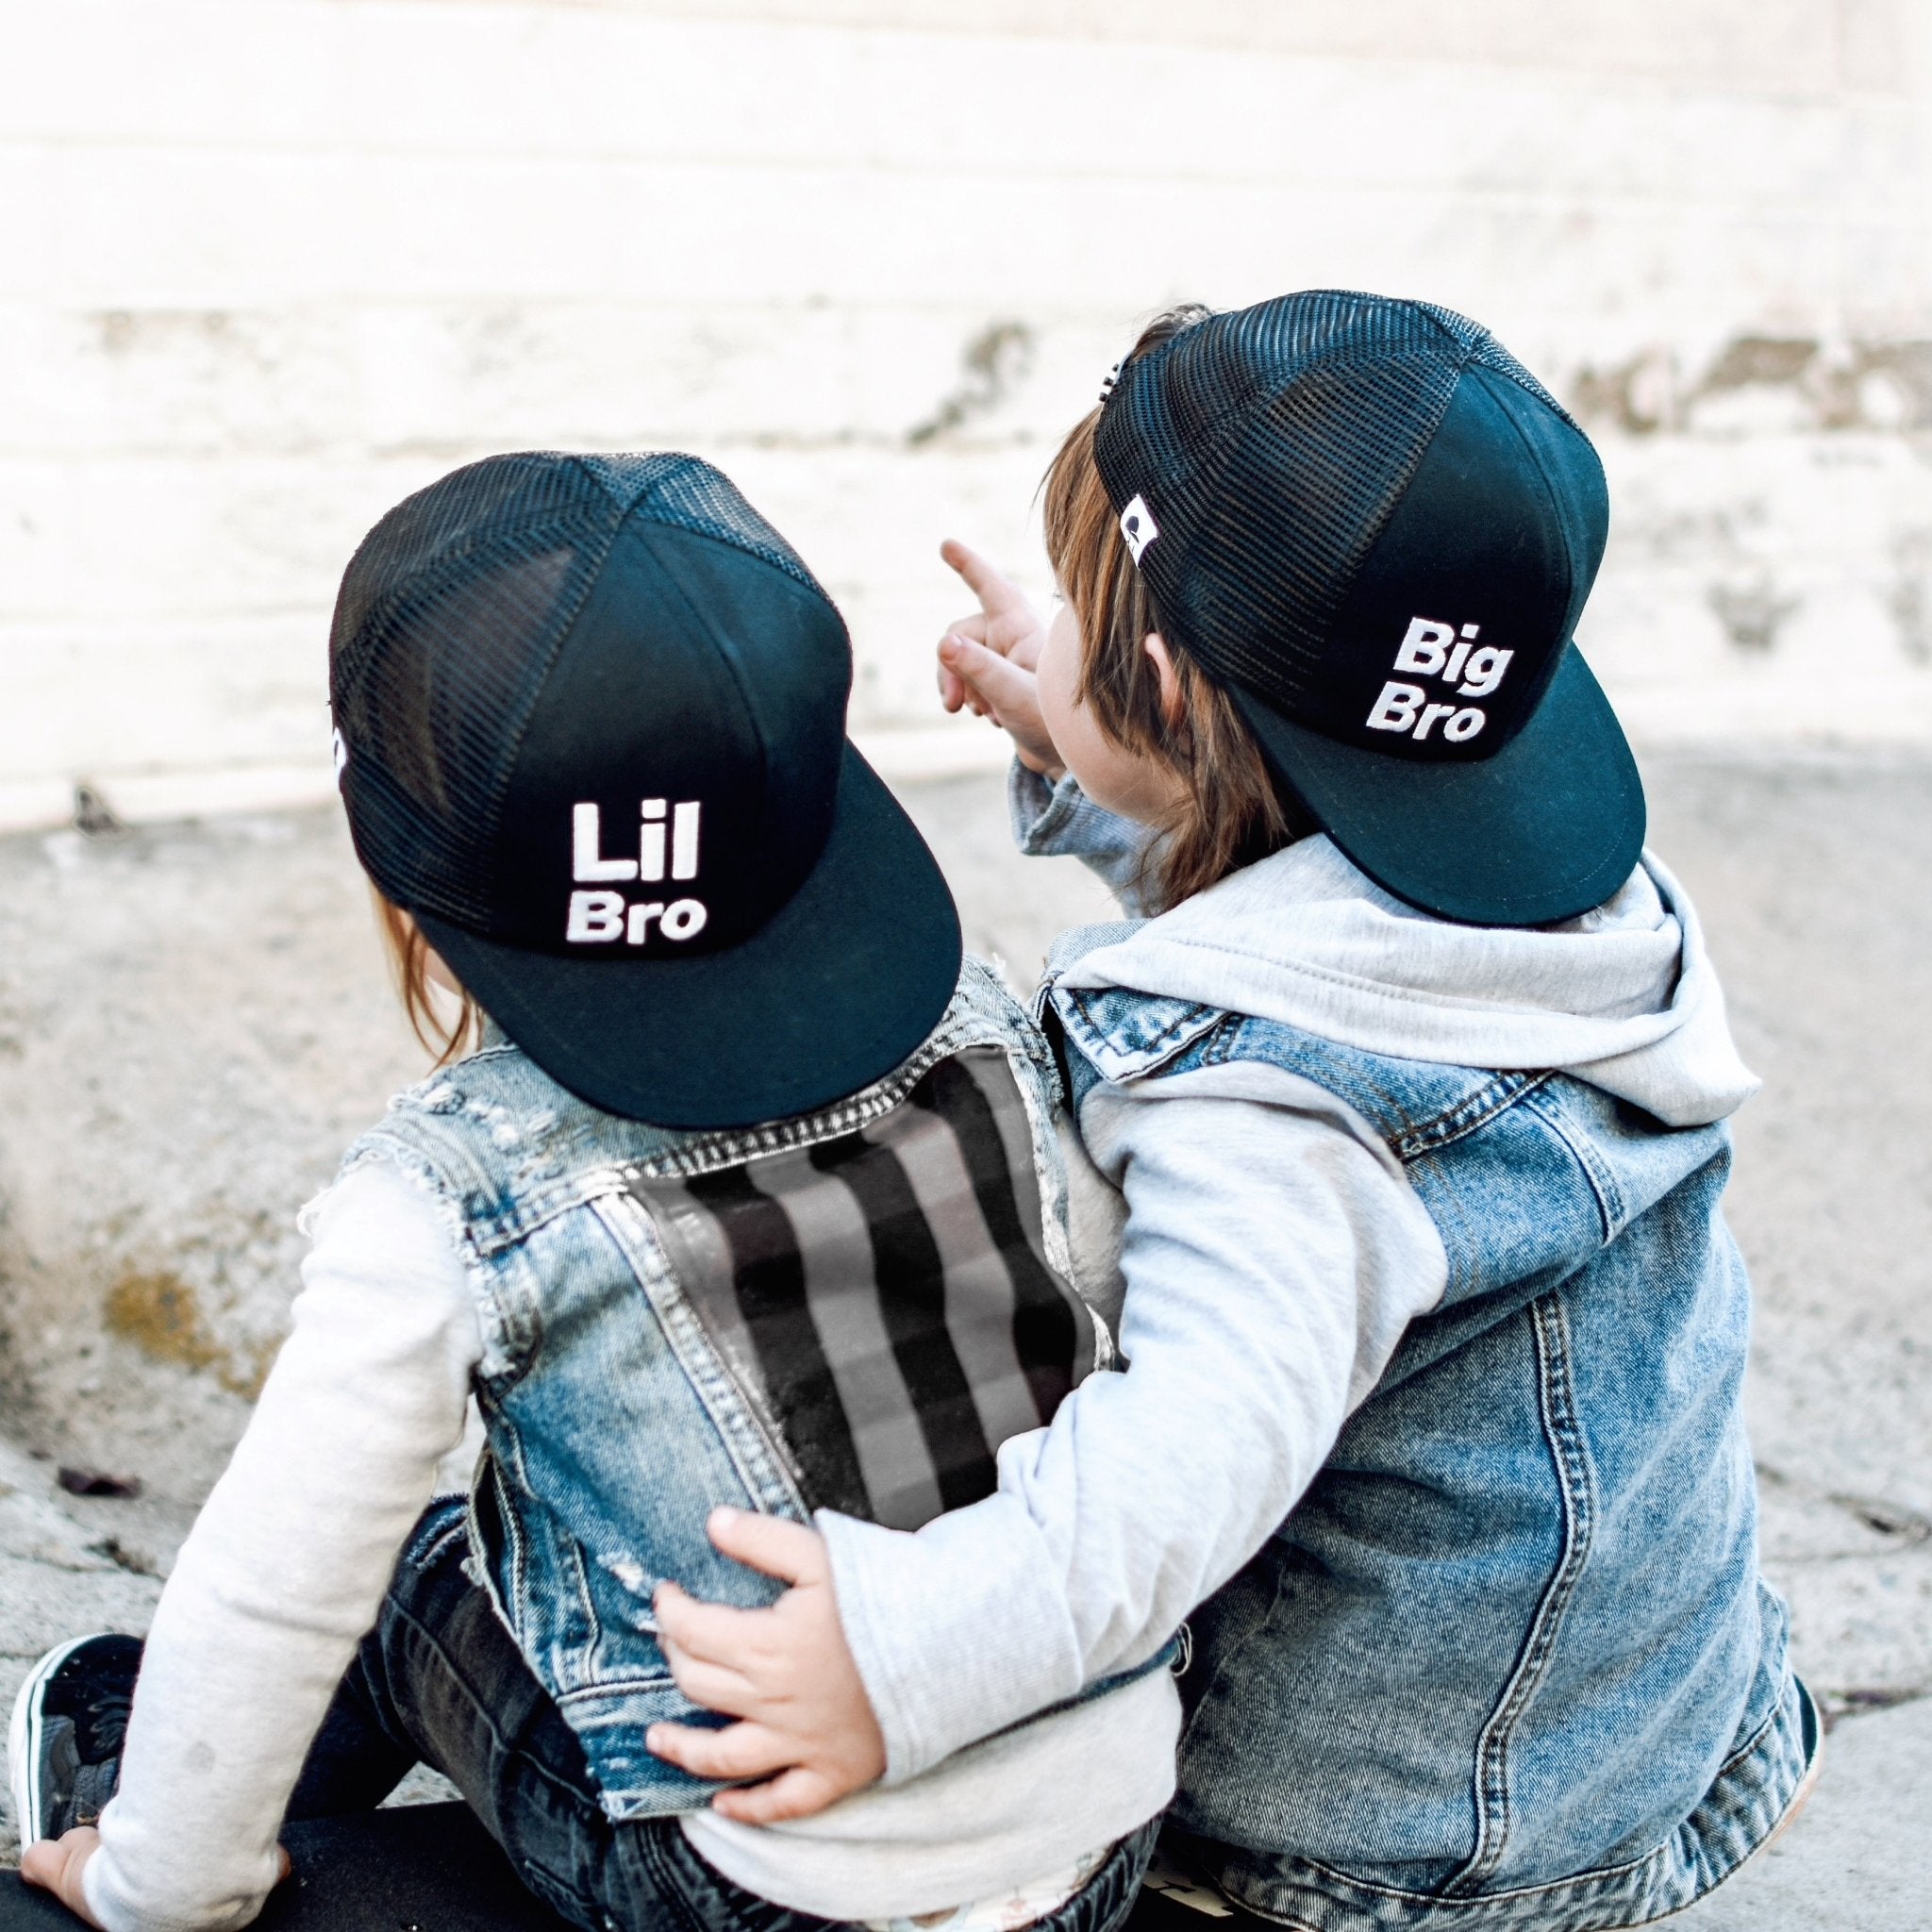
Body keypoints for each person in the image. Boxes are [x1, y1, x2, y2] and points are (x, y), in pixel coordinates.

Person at [673, 292, 1823, 1931]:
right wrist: (1093, 750)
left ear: (1162, 684)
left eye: (1079, 621)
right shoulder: (1569, 913)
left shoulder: (1270, 1115)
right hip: (1670, 1732)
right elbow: (1329, 900)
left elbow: (1181, 1464)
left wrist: (901, 1656)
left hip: (1381, 1854)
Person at [8, 452, 1174, 1932]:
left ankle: (166, 1792)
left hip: (757, 1892)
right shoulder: (997, 1024)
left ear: (401, 871)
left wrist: (152, 1889)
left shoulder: (451, 1197)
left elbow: (277, 1575)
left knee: (418, 1568)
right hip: (1101, 1829)